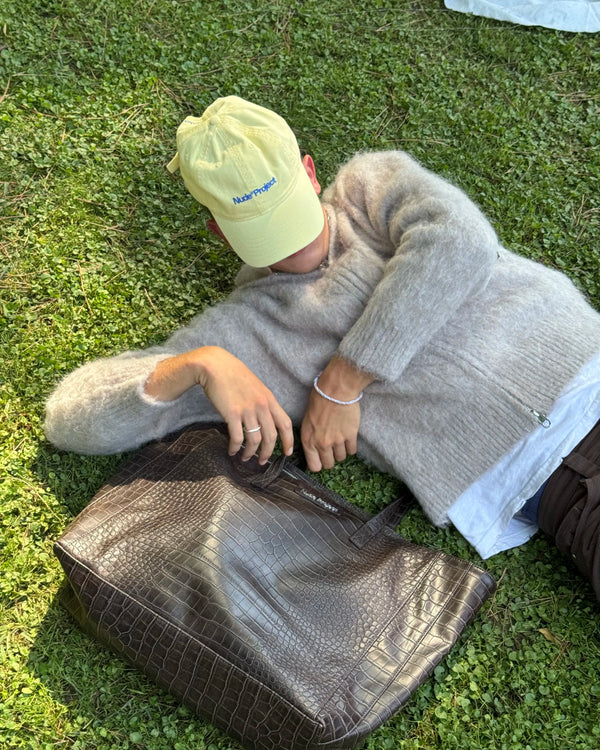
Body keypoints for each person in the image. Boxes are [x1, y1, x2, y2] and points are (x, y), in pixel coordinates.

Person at [45, 96, 600, 598]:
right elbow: (70, 421)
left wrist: (345, 379)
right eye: (264, 228)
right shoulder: (248, 331)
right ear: (220, 232)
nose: (294, 243)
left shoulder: (369, 185)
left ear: (310, 172)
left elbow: (459, 241)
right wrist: (198, 363)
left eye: (287, 209)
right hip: (550, 480)